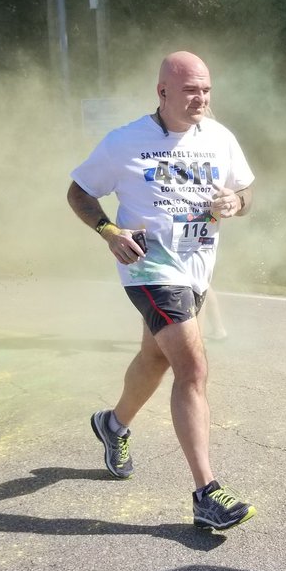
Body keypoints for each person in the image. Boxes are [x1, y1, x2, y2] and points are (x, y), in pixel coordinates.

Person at [67, 50, 255, 530]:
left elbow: (246, 192)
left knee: (154, 359)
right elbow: (79, 191)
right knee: (192, 369)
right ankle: (206, 494)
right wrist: (109, 231)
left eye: (206, 90)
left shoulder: (220, 138)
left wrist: (236, 202)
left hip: (196, 269)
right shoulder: (124, 141)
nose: (201, 99)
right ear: (163, 91)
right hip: (148, 269)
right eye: (191, 90)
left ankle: (112, 425)